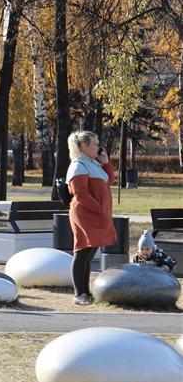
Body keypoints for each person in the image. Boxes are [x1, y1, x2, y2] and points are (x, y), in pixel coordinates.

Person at [66, 130, 116, 306]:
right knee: (82, 252)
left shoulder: (92, 164)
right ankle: (79, 295)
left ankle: (86, 293)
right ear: (84, 146)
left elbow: (109, 180)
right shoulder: (78, 165)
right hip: (86, 215)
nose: (99, 147)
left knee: (89, 254)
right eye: (95, 144)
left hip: (96, 215)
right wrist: (99, 209)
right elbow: (80, 193)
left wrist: (106, 162)